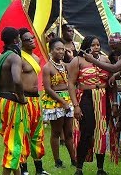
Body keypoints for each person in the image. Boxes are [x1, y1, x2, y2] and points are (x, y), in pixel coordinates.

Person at [83, 33, 121, 175]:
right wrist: (117, 76)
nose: (113, 51)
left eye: (114, 47)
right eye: (111, 48)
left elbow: (115, 67)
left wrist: (93, 60)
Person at [68, 36, 111, 175]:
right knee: (86, 131)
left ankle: (100, 168)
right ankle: (79, 168)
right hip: (86, 98)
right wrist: (76, 106)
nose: (96, 47)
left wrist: (114, 103)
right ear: (86, 46)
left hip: (103, 98)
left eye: (98, 44)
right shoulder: (78, 60)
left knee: (102, 131)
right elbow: (71, 84)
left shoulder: (105, 60)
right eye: (93, 45)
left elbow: (112, 79)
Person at [0, 27, 27, 175]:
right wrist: (21, 97)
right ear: (15, 40)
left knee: (12, 141)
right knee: (13, 144)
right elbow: (17, 80)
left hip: (1, 101)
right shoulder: (14, 57)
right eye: (19, 38)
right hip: (12, 103)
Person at [18, 28, 49, 175]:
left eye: (32, 38)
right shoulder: (19, 58)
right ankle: (24, 169)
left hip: (36, 99)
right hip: (23, 100)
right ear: (20, 42)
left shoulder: (36, 59)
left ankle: (39, 169)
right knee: (24, 133)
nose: (32, 41)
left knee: (38, 133)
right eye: (27, 39)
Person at [41, 38, 76, 168]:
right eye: (58, 49)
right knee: (56, 132)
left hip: (67, 99)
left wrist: (71, 57)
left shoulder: (65, 65)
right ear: (51, 51)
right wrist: (63, 102)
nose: (61, 51)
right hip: (55, 102)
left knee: (69, 133)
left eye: (62, 49)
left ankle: (74, 159)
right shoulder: (47, 68)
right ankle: (57, 161)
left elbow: (75, 67)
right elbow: (48, 89)